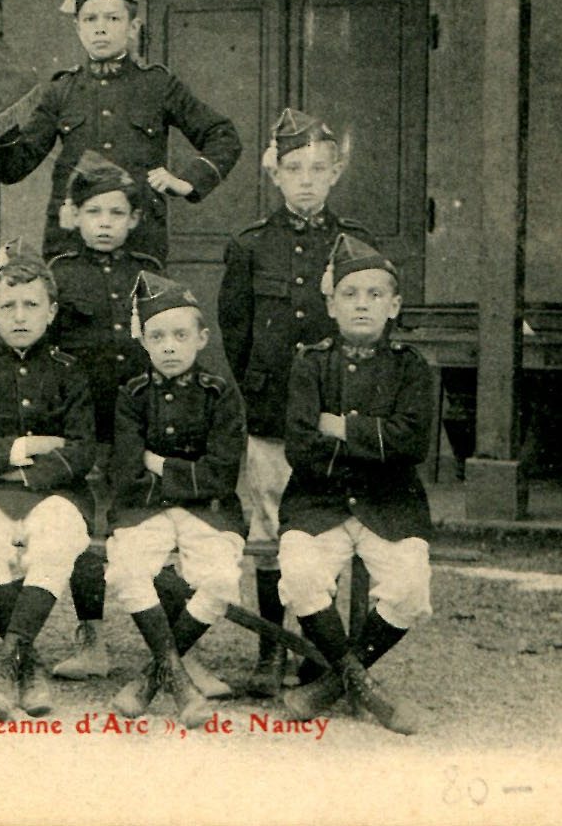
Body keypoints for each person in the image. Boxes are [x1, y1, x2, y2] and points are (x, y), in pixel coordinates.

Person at [218, 108, 376, 697]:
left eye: (317, 168)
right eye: (293, 168)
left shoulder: (355, 243)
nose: (305, 179)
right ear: (275, 175)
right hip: (270, 413)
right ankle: (270, 653)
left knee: (325, 528)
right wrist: (263, 388)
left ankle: (319, 654)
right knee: (267, 532)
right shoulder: (252, 245)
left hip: (334, 413)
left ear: (335, 173)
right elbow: (234, 331)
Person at [279, 234, 433, 735]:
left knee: (410, 587)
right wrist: (376, 436)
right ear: (331, 304)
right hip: (318, 501)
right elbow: (300, 448)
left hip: (389, 503)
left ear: (394, 305)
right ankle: (359, 682)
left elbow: (412, 445)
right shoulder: (310, 363)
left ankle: (331, 683)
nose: (361, 304)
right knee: (301, 575)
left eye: (373, 294)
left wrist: (340, 426)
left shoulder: (412, 367)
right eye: (349, 294)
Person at [0, 0, 240, 261]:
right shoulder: (61, 91)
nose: (101, 27)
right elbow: (13, 168)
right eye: (90, 18)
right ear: (78, 27)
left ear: (133, 27)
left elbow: (223, 136)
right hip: (72, 244)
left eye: (113, 18)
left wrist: (186, 182)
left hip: (139, 239)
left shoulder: (157, 85)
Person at [0, 244, 96, 721]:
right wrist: (27, 448)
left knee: (56, 540)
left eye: (31, 305)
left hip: (56, 491)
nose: (20, 316)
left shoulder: (71, 373)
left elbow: (80, 451)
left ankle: (5, 664)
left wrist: (6, 457)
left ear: (51, 312)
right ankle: (27, 666)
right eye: (8, 306)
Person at [105, 272, 247, 728]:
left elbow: (222, 475)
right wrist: (188, 474)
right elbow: (126, 473)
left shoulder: (220, 394)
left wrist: (160, 465)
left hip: (208, 512)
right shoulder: (131, 395)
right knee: (127, 569)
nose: (169, 346)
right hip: (144, 507)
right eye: (157, 336)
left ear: (202, 338)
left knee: (222, 578)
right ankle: (177, 677)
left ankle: (154, 676)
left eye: (181, 335)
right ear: (143, 341)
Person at [45, 150, 161, 681]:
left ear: (135, 219)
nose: (106, 224)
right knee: (88, 531)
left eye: (117, 214)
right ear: (73, 215)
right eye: (94, 213)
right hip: (83, 427)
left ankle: (166, 643)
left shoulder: (150, 275)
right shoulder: (58, 276)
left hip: (139, 427)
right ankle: (90, 636)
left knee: (144, 527)